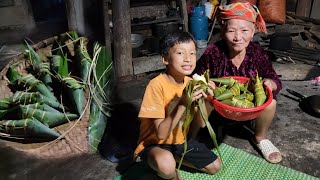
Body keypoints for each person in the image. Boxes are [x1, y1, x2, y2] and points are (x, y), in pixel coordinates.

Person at [193, 2, 283, 164]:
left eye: (244, 31)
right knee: (202, 97)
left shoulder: (257, 53)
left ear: (253, 32)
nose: (238, 37)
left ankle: (260, 137)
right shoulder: (214, 52)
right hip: (218, 108)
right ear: (222, 32)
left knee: (271, 102)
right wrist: (205, 84)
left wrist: (271, 83)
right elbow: (196, 75)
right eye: (231, 31)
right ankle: (194, 135)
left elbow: (274, 78)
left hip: (248, 110)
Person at [133, 32, 221, 180]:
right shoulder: (156, 86)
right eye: (180, 53)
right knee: (166, 166)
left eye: (192, 53)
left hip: (180, 141)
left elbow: (200, 123)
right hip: (154, 143)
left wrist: (209, 101)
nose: (188, 59)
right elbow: (161, 134)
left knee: (215, 167)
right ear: (165, 59)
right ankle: (168, 171)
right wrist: (183, 103)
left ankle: (173, 159)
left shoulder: (191, 84)